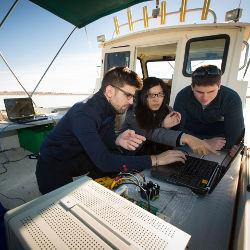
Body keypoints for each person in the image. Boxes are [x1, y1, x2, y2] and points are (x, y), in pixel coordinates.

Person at [36, 67, 187, 194]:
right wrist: (157, 159)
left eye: (133, 97)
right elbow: (105, 162)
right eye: (128, 95)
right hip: (54, 163)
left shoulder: (109, 108)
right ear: (109, 91)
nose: (131, 101)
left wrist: (117, 139)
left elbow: (106, 137)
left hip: (77, 156)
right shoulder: (84, 114)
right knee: (62, 208)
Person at [119, 77, 217, 156]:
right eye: (151, 95)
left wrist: (202, 141)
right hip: (135, 156)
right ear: (142, 96)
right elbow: (152, 133)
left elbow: (182, 128)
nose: (156, 99)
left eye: (160, 94)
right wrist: (162, 125)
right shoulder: (133, 112)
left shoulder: (167, 109)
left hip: (161, 154)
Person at [173, 64, 244, 150]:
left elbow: (234, 137)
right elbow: (176, 130)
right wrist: (203, 142)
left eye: (211, 92)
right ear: (192, 87)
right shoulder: (182, 96)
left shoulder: (231, 98)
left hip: (218, 139)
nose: (205, 98)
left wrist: (234, 148)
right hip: (191, 138)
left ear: (219, 86)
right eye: (199, 92)